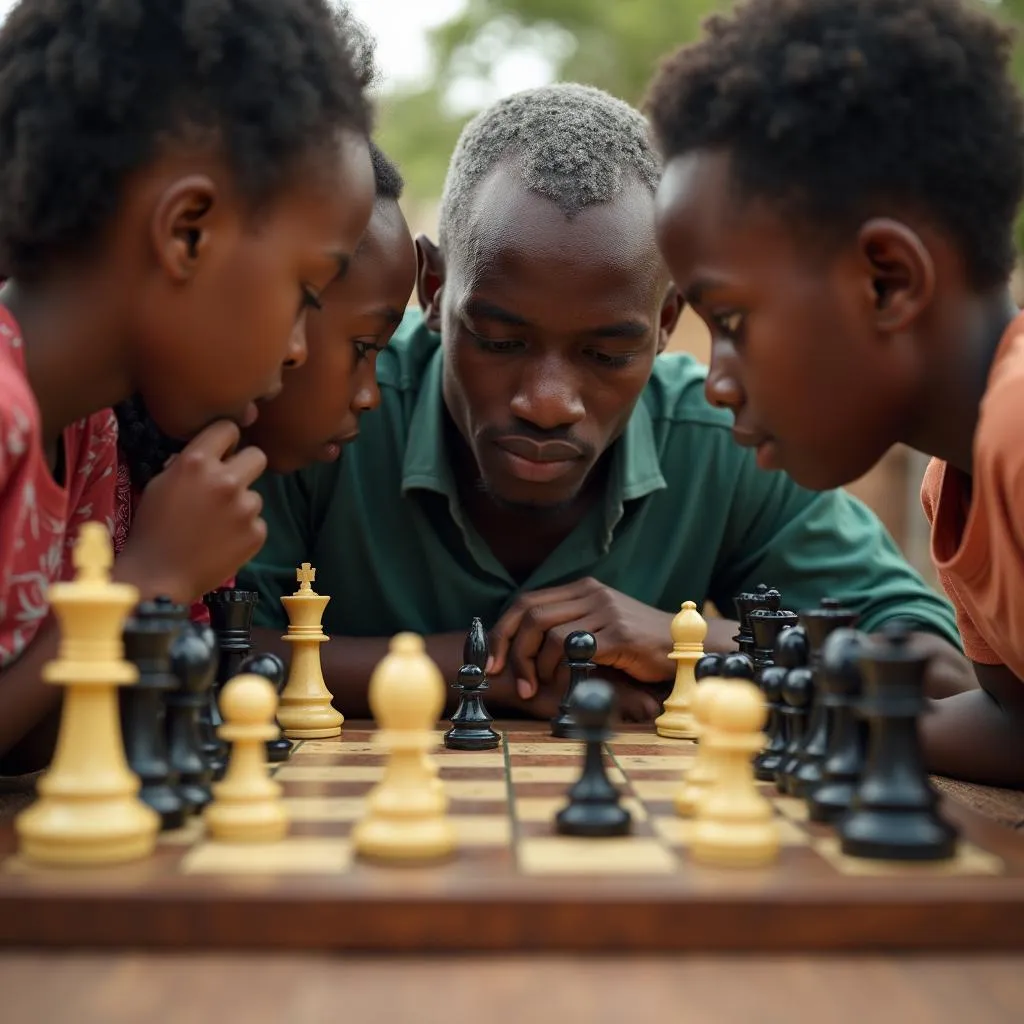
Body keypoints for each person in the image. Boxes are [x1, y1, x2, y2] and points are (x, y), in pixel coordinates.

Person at [240, 82, 970, 723]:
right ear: (433, 291)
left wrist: (690, 641)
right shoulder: (322, 402)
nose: (548, 403)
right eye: (498, 340)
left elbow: (937, 672)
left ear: (664, 323)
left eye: (607, 354)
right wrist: (490, 672)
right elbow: (212, 648)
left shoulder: (718, 442)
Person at [646, 0, 1024, 785]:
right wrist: (786, 707)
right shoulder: (954, 482)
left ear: (886, 282)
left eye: (732, 320)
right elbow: (1011, 726)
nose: (714, 380)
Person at [0, 0, 376, 771]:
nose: (298, 349)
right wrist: (151, 578)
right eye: (307, 293)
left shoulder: (90, 435)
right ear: (187, 233)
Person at [112, 141, 415, 619]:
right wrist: (157, 576)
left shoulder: (191, 477)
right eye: (363, 348)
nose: (370, 396)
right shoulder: (56, 422)